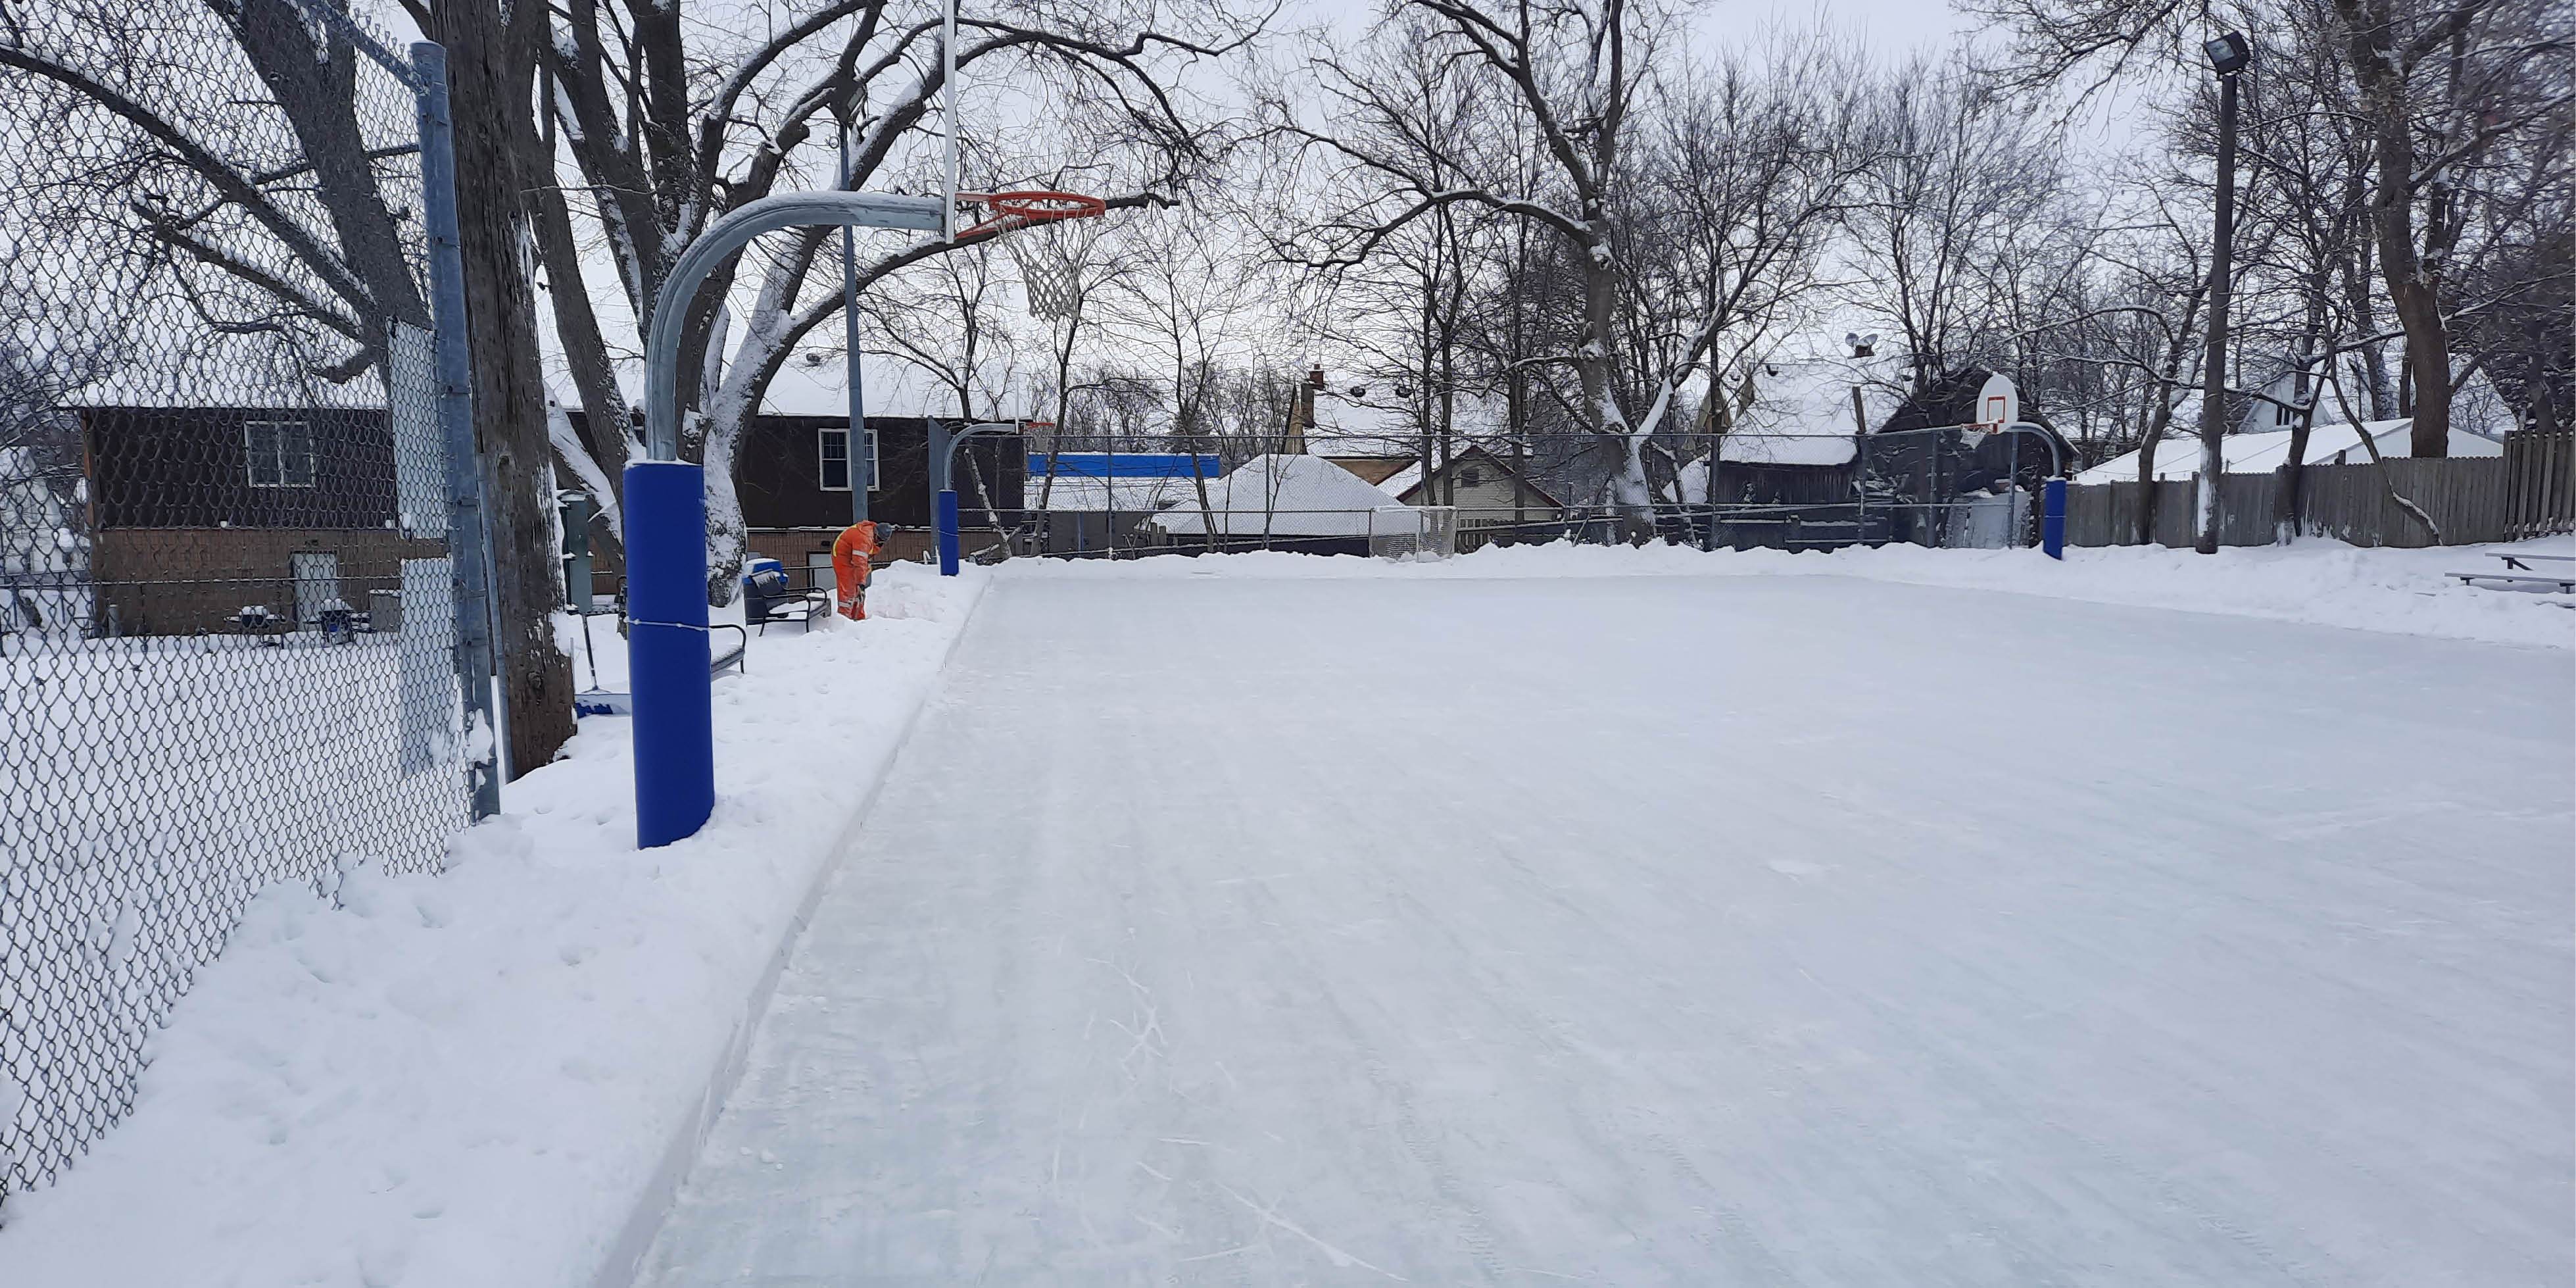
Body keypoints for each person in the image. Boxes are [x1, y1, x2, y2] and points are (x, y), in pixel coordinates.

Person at [830, 520, 881, 620]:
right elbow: (860, 562)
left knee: (857, 588)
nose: (879, 542)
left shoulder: (872, 535)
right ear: (876, 534)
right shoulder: (864, 538)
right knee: (848, 588)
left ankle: (858, 616)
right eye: (879, 540)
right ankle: (844, 619)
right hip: (842, 557)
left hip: (851, 557)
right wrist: (861, 583)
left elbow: (863, 560)